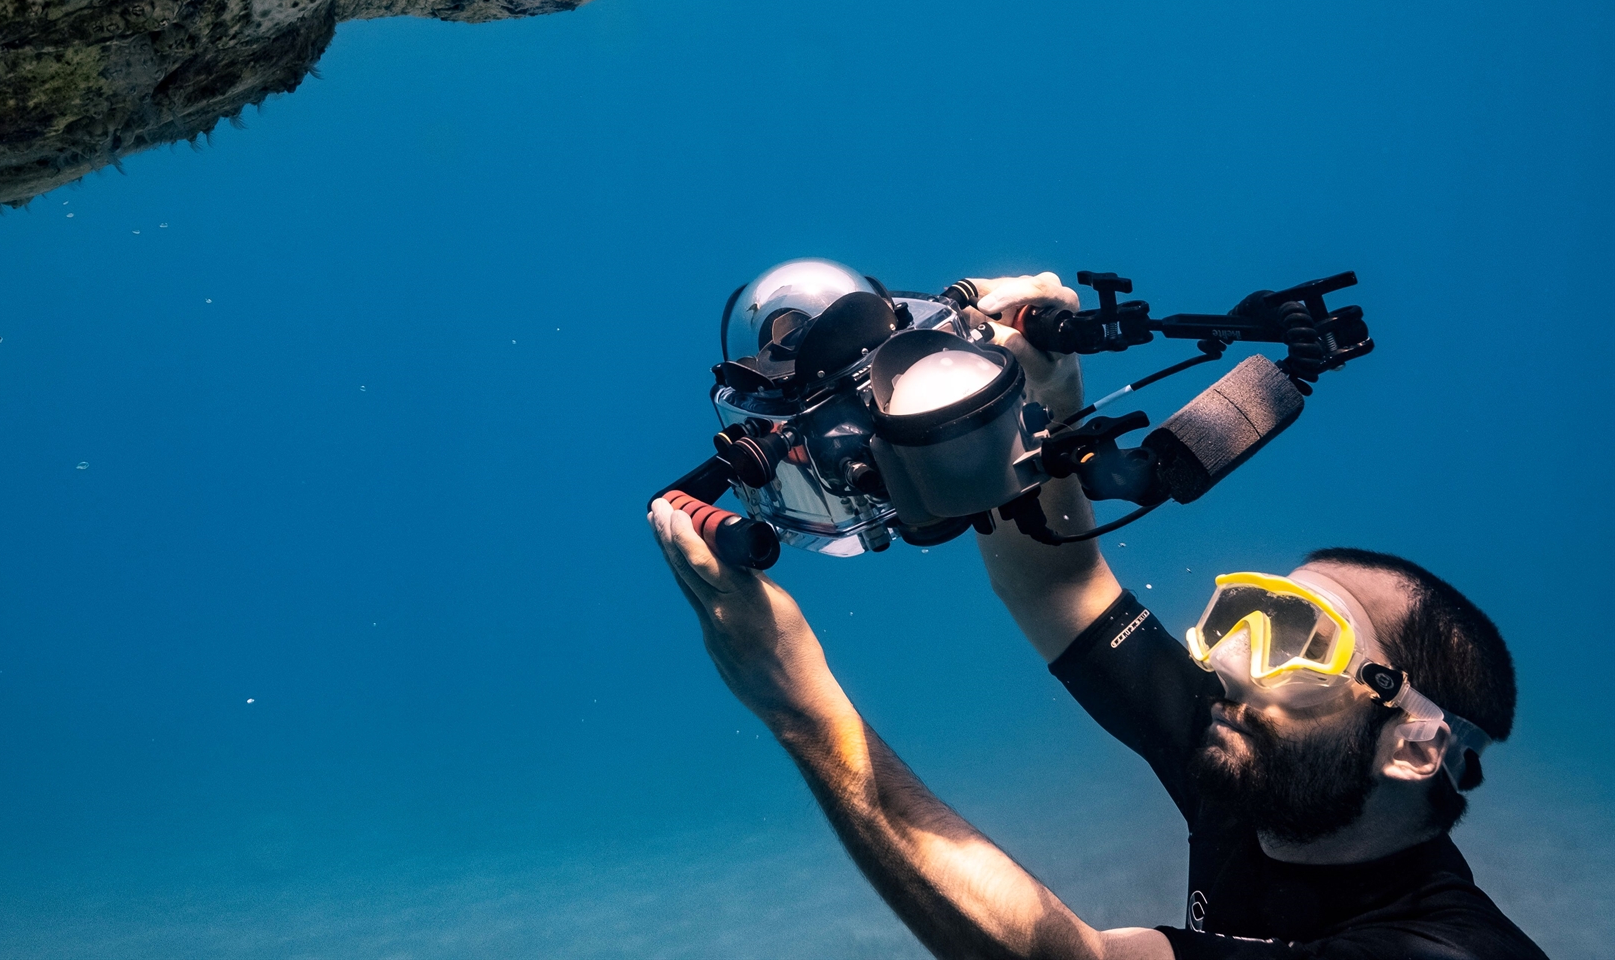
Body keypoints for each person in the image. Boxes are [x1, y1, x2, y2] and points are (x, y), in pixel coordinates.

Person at [649, 273, 1546, 959]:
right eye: (1241, 611)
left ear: (1414, 743)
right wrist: (1040, 398)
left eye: (1298, 637)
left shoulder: (1445, 950)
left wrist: (801, 708)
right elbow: (1058, 583)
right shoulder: (1260, 773)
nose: (1226, 660)